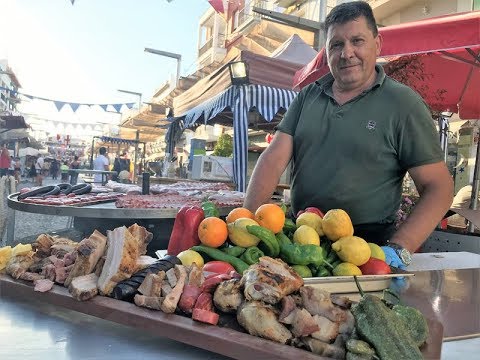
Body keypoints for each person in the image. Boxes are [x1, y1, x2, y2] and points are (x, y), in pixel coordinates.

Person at [243, 1, 453, 269]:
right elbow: (272, 161)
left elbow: (440, 187)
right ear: (327, 51)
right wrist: (246, 223)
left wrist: (400, 249)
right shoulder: (308, 96)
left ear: (377, 45)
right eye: (336, 44)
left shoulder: (403, 104)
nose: (347, 53)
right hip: (301, 240)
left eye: (357, 41)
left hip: (367, 248)